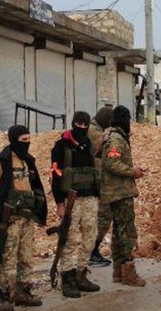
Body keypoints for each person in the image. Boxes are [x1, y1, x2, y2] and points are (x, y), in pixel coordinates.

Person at [0, 124, 48, 308]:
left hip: (26, 217)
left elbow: (35, 186)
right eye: (23, 141)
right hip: (9, 218)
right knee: (7, 256)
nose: (27, 144)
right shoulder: (1, 162)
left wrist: (40, 212)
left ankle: (23, 291)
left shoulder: (27, 160)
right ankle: (3, 295)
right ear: (14, 140)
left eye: (29, 140)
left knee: (26, 255)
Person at [50, 111, 101, 298]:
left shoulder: (87, 144)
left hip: (89, 199)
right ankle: (68, 277)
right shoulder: (61, 146)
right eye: (78, 124)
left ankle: (81, 273)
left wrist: (98, 194)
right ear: (73, 123)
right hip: (71, 200)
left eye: (85, 124)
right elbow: (55, 176)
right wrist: (59, 203)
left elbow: (93, 171)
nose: (82, 128)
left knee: (90, 236)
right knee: (69, 239)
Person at [99, 105, 147, 287]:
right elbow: (112, 163)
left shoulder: (110, 135)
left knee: (119, 232)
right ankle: (128, 272)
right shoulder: (116, 138)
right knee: (127, 232)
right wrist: (132, 172)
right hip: (119, 192)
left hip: (116, 191)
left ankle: (118, 272)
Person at [88, 106, 113, 268]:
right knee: (102, 217)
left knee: (103, 217)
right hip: (96, 182)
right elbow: (107, 147)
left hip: (99, 181)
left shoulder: (95, 129)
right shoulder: (93, 131)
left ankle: (92, 250)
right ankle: (92, 251)